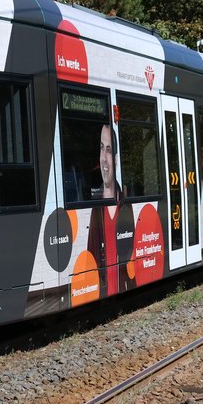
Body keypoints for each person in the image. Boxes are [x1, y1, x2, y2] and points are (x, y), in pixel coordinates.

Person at [87, 123, 130, 296]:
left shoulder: (126, 202)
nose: (104, 157)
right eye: (101, 148)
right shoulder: (96, 208)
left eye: (109, 150)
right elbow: (91, 260)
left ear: (116, 159)